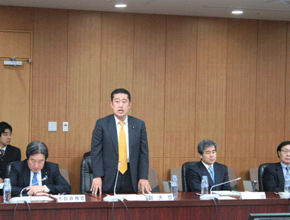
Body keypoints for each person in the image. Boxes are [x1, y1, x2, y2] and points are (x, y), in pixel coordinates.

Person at [90, 88, 151, 195]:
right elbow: (96, 152)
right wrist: (97, 176)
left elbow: (143, 153)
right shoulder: (102, 124)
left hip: (131, 175)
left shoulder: (139, 125)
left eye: (124, 101)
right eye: (117, 101)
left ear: (129, 105)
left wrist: (143, 177)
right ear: (111, 104)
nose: (120, 105)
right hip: (108, 175)